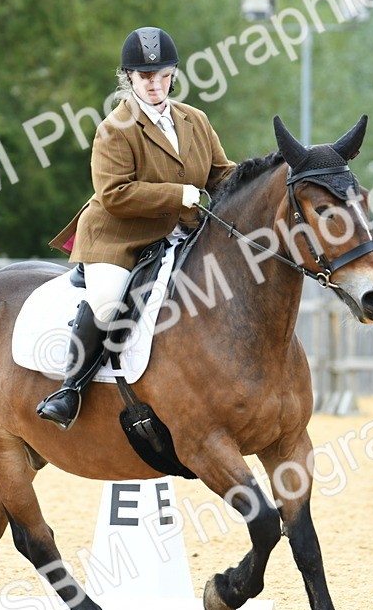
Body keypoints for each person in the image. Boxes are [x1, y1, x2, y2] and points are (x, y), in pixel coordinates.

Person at [37, 26, 237, 430]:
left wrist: (261, 179)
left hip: (183, 233)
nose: (156, 84)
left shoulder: (194, 121)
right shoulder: (115, 127)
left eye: (163, 75)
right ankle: (70, 389)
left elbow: (221, 175)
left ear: (174, 74)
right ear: (129, 77)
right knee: (109, 302)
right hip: (119, 236)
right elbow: (115, 194)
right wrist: (178, 195)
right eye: (146, 77)